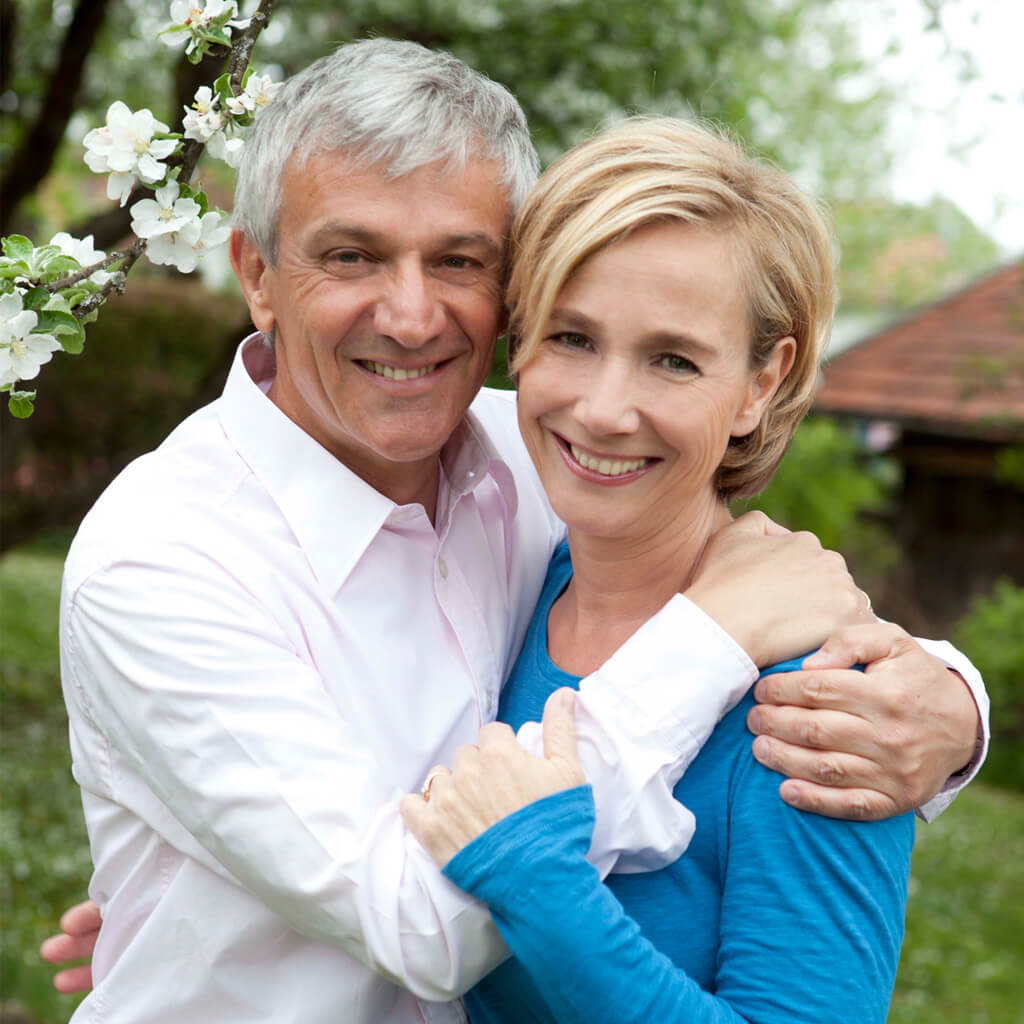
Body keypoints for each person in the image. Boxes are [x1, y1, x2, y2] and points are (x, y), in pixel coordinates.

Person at [44, 40, 986, 1024]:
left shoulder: (532, 462)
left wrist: (949, 705)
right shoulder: (159, 560)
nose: (410, 318)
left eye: (457, 260)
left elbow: (726, 558)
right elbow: (423, 924)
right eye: (351, 254)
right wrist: (704, 639)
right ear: (257, 272)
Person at [401, 116, 962, 1022]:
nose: (605, 408)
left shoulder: (815, 706)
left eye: (673, 360)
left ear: (760, 384)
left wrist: (543, 886)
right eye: (572, 337)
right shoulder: (499, 578)